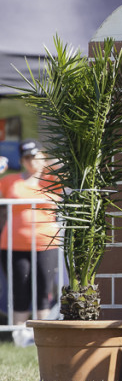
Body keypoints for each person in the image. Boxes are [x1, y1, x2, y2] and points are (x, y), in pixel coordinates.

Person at [0, 140, 61, 347]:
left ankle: (41, 338)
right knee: (19, 290)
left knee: (44, 290)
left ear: (42, 156)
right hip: (14, 243)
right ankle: (20, 337)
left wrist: (50, 165)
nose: (30, 161)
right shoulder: (11, 181)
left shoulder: (53, 180)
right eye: (26, 157)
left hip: (47, 242)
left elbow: (69, 170)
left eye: (34, 156)